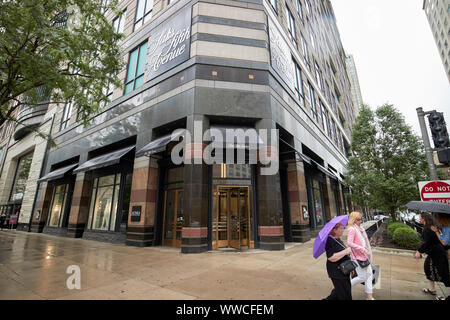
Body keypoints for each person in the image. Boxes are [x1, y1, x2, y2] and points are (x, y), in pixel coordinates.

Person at [414, 212, 450, 299]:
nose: (419, 219)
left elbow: (428, 243)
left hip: (438, 254)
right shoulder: (431, 228)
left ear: (424, 219)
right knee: (428, 269)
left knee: (443, 274)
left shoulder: (428, 229)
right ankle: (432, 289)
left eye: (420, 217)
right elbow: (439, 241)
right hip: (434, 253)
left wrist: (419, 251)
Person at [347, 211, 375, 300]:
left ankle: (369, 297)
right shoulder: (352, 229)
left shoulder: (360, 228)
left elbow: (365, 242)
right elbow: (349, 243)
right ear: (353, 220)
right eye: (358, 219)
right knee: (362, 277)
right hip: (357, 257)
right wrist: (363, 249)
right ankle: (343, 288)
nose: (360, 221)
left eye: (361, 219)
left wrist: (367, 251)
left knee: (369, 274)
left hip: (364, 256)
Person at [323, 223, 353, 300]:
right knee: (344, 294)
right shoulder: (330, 240)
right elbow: (331, 257)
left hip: (343, 270)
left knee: (339, 292)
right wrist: (346, 252)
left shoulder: (337, 239)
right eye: (341, 228)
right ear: (334, 230)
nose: (343, 229)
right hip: (336, 271)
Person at [431, 212, 450, 301]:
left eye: (438, 218)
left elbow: (444, 242)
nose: (437, 220)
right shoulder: (446, 227)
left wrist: (436, 232)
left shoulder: (448, 228)